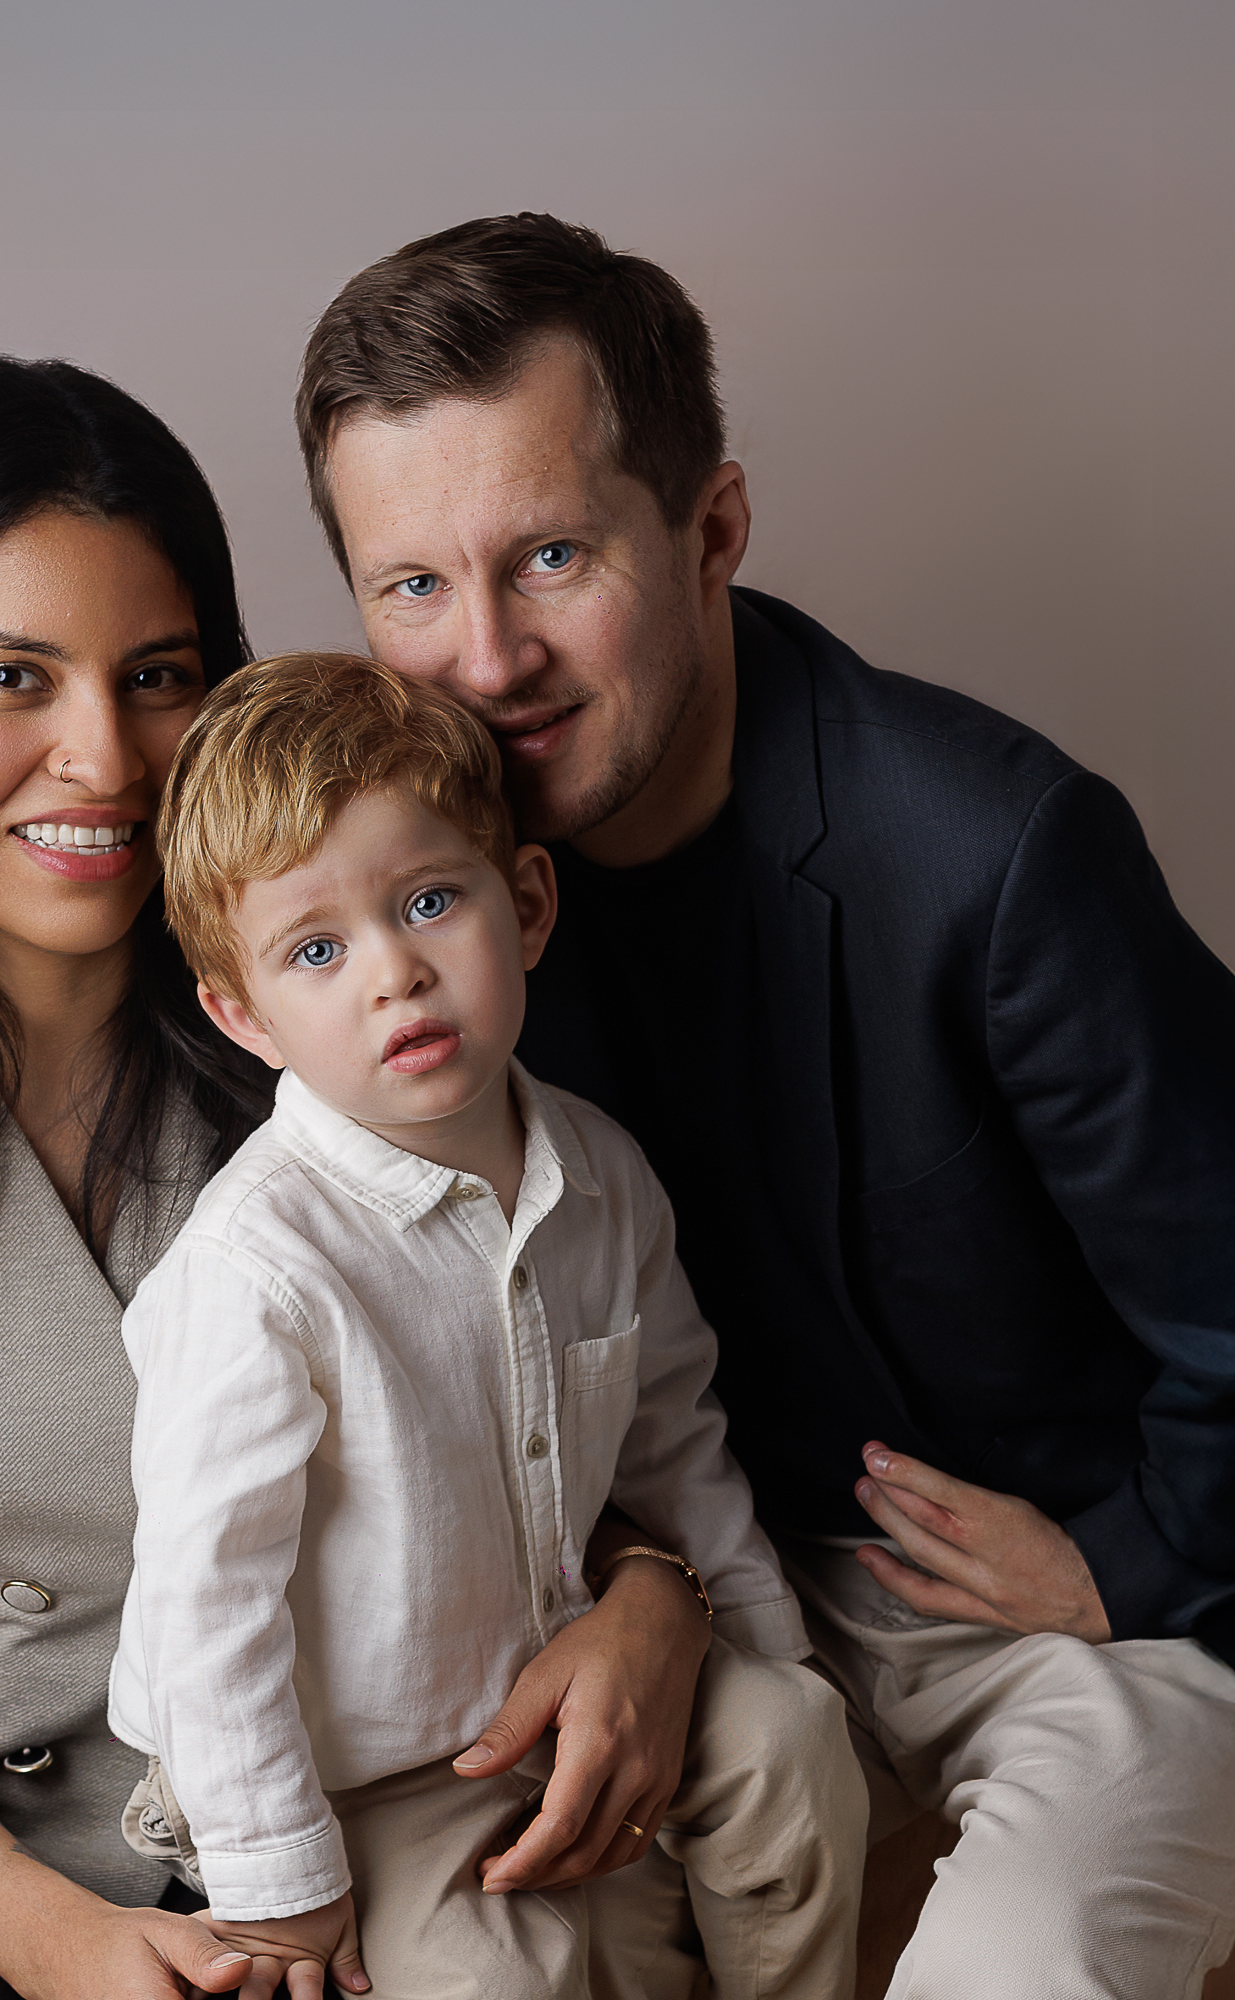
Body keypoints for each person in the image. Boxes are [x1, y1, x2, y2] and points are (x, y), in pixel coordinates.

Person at [0, 355, 712, 1999]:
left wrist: (654, 1592)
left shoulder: (355, 1032)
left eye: (157, 676)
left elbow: (537, 1414)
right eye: (10, 678)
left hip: (342, 1815)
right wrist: (60, 1942)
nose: (106, 756)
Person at [294, 213, 1235, 1998]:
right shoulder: (395, 914)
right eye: (412, 586)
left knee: (1018, 1971)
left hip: (1059, 1607)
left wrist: (1132, 1560)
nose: (485, 662)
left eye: (551, 557)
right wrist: (649, 1583)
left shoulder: (996, 854)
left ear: (712, 528)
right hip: (692, 1587)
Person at [108, 653, 867, 2000]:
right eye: (318, 951)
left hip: (567, 1679)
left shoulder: (603, 1173)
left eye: (429, 902)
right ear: (243, 1014)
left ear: (525, 907)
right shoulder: (254, 1270)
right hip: (371, 1776)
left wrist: (760, 1643)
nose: (395, 974)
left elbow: (673, 1436)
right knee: (498, 1983)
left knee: (796, 1744)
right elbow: (206, 1602)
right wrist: (284, 1886)